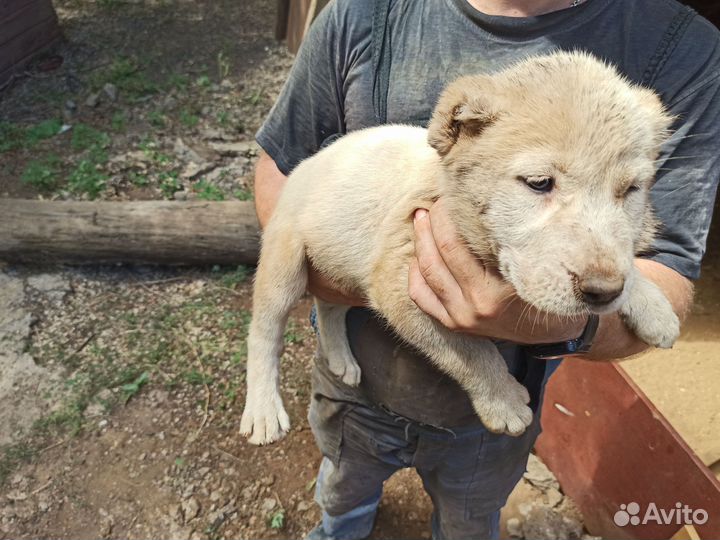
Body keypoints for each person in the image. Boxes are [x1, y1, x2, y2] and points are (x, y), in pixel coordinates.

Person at [253, 0, 720, 538]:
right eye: (541, 184)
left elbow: (664, 271)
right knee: (344, 487)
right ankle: (341, 526)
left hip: (492, 423)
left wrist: (588, 310)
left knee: (470, 517)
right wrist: (333, 272)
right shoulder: (364, 14)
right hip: (354, 384)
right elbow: (282, 167)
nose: (600, 269)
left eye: (629, 189)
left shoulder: (682, 49)